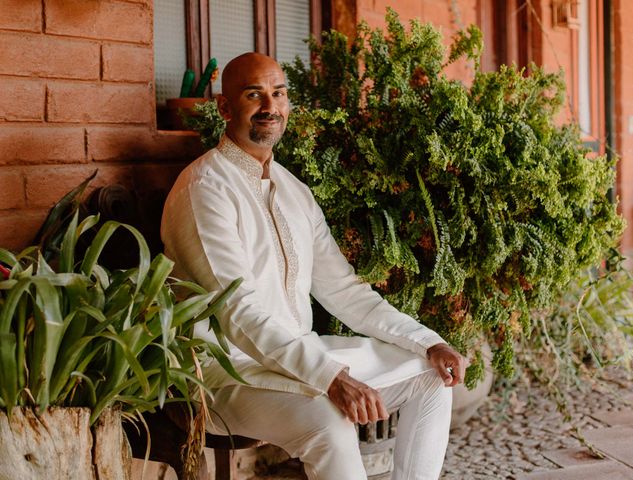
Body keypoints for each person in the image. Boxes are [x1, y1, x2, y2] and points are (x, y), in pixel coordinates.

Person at [161, 52, 466, 480]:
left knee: (432, 375)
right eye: (254, 95)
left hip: (297, 355)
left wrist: (427, 341)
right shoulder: (205, 189)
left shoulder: (293, 191)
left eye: (279, 94)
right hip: (224, 373)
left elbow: (345, 290)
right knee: (328, 417)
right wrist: (330, 377)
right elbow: (237, 312)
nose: (270, 106)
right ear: (226, 108)